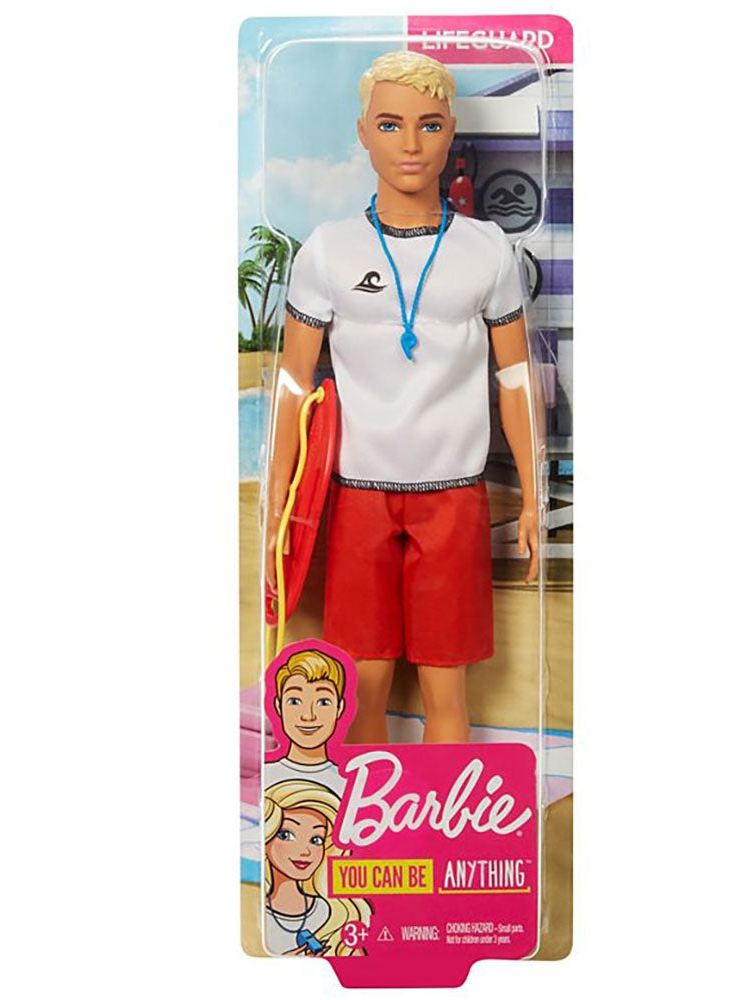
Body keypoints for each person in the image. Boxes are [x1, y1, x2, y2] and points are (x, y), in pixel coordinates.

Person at [267, 50, 540, 746]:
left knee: (448, 686)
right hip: (357, 496)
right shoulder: (327, 250)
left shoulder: (487, 249)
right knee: (363, 685)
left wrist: (534, 497)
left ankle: (445, 816)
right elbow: (294, 384)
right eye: (390, 125)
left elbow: (515, 378)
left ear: (452, 133)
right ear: (363, 132)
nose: (410, 144)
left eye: (430, 124)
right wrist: (277, 502)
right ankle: (363, 814)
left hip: (454, 498)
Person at [262, 779, 371, 956]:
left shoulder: (335, 913)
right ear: (267, 836)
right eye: (286, 835)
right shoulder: (254, 916)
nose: (305, 851)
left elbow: (359, 963)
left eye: (316, 840)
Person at [263, 647, 347, 796]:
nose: (308, 715)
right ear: (278, 706)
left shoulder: (351, 783)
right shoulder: (264, 775)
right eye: (295, 701)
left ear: (339, 708)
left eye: (323, 702)